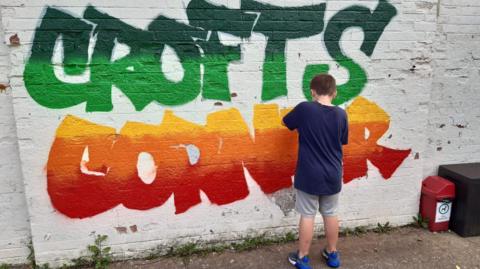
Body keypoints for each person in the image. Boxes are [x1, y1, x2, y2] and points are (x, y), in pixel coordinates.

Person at [283, 74, 348, 269]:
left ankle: (302, 257)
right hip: (333, 173)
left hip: (309, 174)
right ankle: (332, 254)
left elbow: (286, 122)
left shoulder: (305, 108)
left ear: (312, 92)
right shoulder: (341, 114)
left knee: (308, 215)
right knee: (331, 213)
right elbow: (342, 141)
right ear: (334, 93)